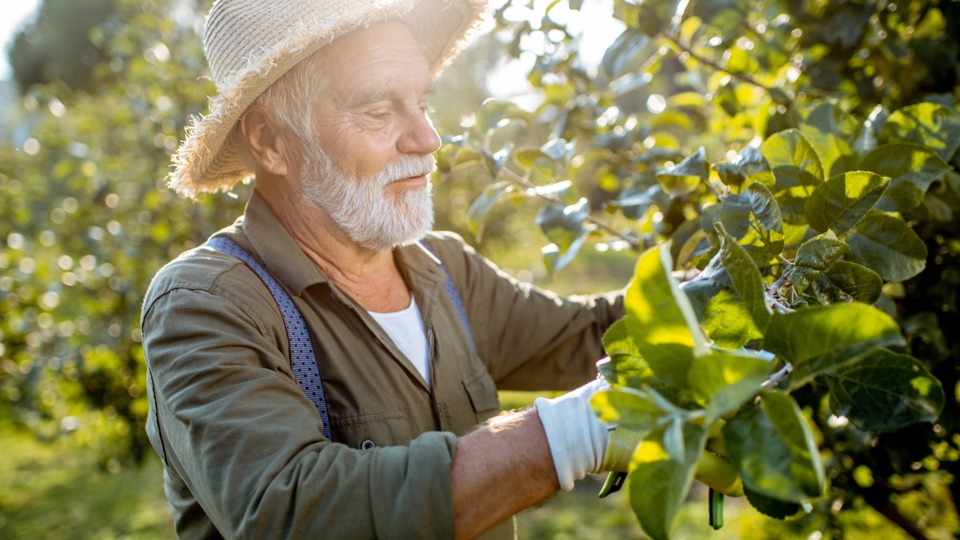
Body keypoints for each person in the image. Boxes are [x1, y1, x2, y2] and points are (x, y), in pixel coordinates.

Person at [141, 1, 635, 538]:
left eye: (423, 103)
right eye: (379, 111)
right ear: (271, 141)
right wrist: (571, 434)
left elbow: (589, 334)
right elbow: (294, 511)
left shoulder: (442, 269)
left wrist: (718, 291)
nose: (427, 140)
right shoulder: (206, 303)